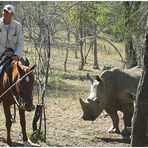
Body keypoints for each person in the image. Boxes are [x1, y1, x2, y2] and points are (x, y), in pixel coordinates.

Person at [0, 4, 24, 73]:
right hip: (1, 52)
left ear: (12, 14)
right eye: (4, 12)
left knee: (25, 72)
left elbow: (20, 43)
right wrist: (4, 51)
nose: (5, 14)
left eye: (7, 12)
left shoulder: (18, 26)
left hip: (14, 54)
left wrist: (16, 55)